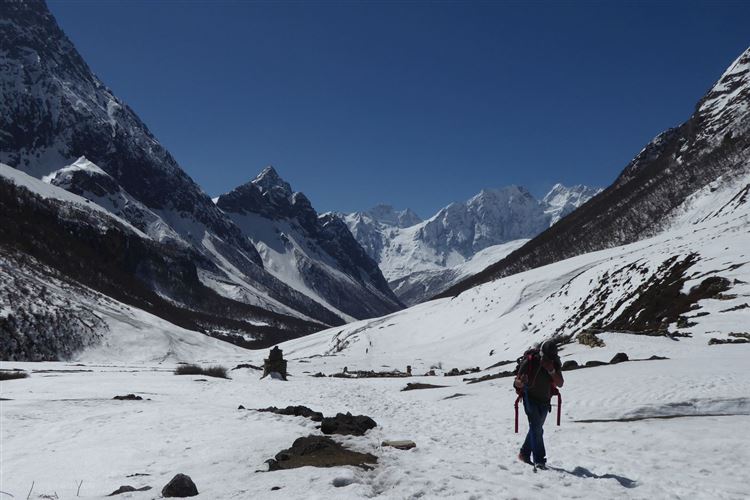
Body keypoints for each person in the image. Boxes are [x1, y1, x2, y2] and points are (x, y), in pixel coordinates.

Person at [513, 340, 564, 469]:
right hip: (530, 399)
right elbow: (516, 382)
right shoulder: (530, 361)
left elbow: (560, 383)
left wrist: (551, 370)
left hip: (545, 401)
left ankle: (524, 453)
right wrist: (521, 382)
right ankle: (539, 460)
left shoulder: (554, 363)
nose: (547, 360)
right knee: (536, 428)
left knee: (535, 429)